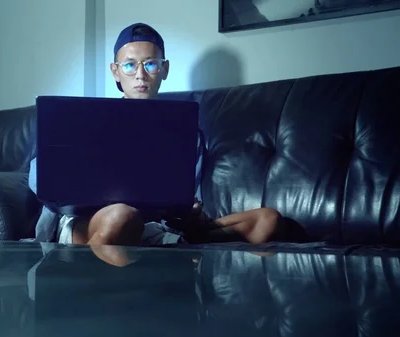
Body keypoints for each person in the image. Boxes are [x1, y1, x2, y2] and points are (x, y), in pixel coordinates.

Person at [27, 23, 284, 251]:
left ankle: (148, 259)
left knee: (266, 220)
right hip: (91, 221)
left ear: (164, 69)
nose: (140, 75)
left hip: (157, 227)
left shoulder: (186, 132)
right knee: (122, 216)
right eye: (129, 65)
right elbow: (41, 178)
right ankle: (95, 284)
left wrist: (191, 212)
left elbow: (186, 196)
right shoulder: (89, 120)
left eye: (150, 64)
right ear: (115, 72)